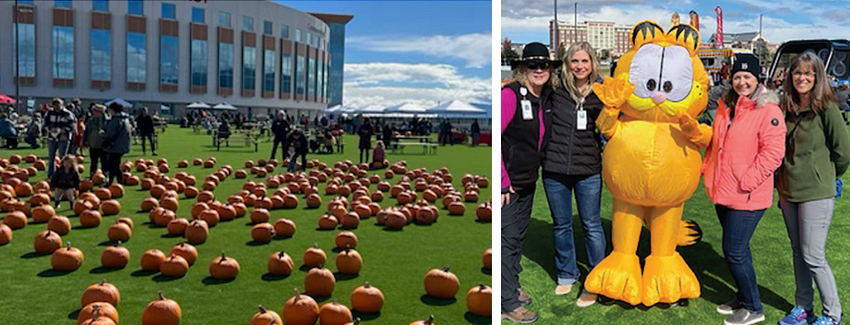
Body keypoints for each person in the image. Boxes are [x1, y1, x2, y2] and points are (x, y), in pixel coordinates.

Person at [703, 55, 786, 325]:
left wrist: (747, 181)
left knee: (734, 250)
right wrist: (708, 168)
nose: (742, 82)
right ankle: (742, 296)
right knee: (738, 250)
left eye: (747, 77)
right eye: (738, 77)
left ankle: (753, 306)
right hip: (723, 190)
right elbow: (716, 142)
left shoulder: (768, 110)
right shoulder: (726, 106)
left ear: (757, 79)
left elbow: (773, 153)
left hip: (748, 194)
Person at [776, 52, 850, 325]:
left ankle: (832, 315)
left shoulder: (827, 107)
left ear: (817, 77)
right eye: (797, 72)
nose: (802, 78)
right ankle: (803, 307)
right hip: (788, 190)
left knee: (813, 255)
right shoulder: (786, 107)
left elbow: (843, 151)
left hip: (816, 191)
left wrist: (827, 177)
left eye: (809, 73)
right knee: (798, 252)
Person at [539, 41, 606, 307]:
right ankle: (567, 273)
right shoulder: (555, 89)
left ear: (592, 64)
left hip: (588, 169)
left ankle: (597, 277)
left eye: (584, 61)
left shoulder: (601, 93)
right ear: (567, 64)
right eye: (574, 61)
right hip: (555, 170)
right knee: (561, 225)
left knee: (591, 225)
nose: (579, 66)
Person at [501, 42, 558, 323]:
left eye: (543, 65)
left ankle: (510, 285)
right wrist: (502, 182)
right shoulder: (510, 95)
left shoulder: (546, 97)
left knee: (517, 238)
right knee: (506, 238)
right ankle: (507, 302)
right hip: (509, 183)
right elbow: (498, 139)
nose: (538, 70)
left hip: (527, 180)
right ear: (523, 68)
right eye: (532, 65)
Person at [44, 98, 77, 177]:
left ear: (62, 105)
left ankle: (63, 174)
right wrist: (49, 129)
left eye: (58, 106)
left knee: (63, 157)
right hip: (51, 138)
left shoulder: (67, 114)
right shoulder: (49, 113)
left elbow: (72, 126)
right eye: (55, 106)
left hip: (63, 138)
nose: (56, 108)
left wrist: (61, 130)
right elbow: (45, 123)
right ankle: (51, 174)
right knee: (51, 157)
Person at [102, 103, 132, 186]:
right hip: (122, 145)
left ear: (112, 110)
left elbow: (110, 133)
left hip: (116, 145)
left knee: (113, 164)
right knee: (114, 163)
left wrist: (103, 134)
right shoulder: (124, 119)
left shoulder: (115, 120)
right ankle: (113, 181)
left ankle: (117, 181)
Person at [83, 104, 107, 178]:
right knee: (93, 161)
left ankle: (105, 175)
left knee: (104, 161)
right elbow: (86, 131)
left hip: (103, 144)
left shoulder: (106, 120)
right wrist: (85, 141)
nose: (93, 112)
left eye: (95, 111)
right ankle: (92, 175)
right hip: (93, 144)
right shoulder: (91, 120)